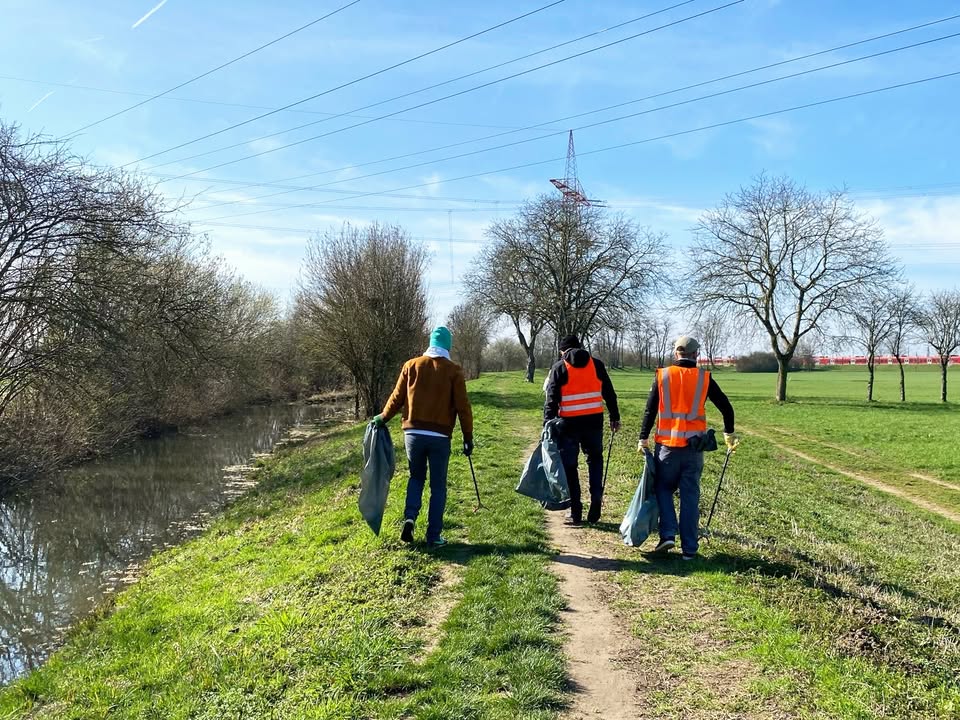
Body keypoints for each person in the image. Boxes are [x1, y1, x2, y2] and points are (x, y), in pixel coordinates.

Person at [638, 336, 737, 560]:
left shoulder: (662, 376)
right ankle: (690, 550)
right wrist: (728, 434)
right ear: (695, 355)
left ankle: (668, 534)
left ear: (676, 354)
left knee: (663, 489)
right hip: (694, 448)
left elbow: (649, 409)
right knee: (690, 497)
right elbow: (726, 407)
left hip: (667, 448)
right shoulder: (704, 378)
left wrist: (643, 438)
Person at [374, 326, 473, 547]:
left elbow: (397, 397)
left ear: (430, 343)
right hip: (439, 437)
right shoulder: (454, 371)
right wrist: (468, 436)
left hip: (413, 435)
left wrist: (383, 417)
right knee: (438, 486)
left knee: (416, 478)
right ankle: (434, 535)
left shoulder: (411, 365)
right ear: (448, 345)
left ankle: (409, 518)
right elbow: (463, 407)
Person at [544, 335, 621, 525]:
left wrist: (547, 424)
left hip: (568, 424)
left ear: (563, 350)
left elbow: (551, 400)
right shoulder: (596, 364)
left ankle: (575, 511)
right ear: (579, 346)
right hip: (594, 422)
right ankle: (596, 499)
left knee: (570, 467)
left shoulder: (559, 367)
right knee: (595, 460)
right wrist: (615, 416)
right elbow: (609, 393)